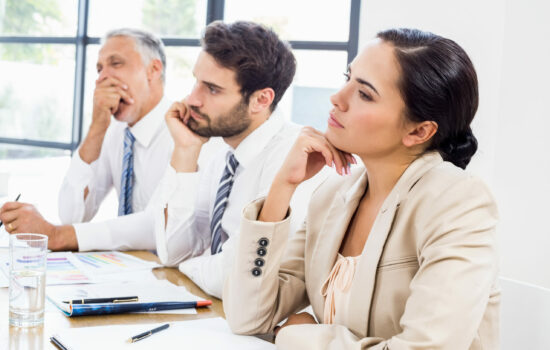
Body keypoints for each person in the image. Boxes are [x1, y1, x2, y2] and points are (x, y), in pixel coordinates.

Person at [224, 28, 499, 349]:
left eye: (365, 94)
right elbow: (248, 316)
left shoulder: (458, 202)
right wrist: (283, 186)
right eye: (347, 78)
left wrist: (295, 336)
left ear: (419, 130)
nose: (337, 98)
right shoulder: (333, 195)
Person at [153, 21, 324, 299]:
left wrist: (188, 266)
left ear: (261, 100)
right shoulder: (223, 151)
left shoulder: (296, 160)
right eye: (196, 81)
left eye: (212, 89)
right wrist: (185, 151)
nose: (192, 99)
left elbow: (234, 278)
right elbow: (173, 250)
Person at [0, 29, 212, 251]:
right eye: (99, 69)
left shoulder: (186, 133)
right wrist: (97, 127)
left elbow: (159, 226)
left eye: (116, 64)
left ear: (153, 69)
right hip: (128, 270)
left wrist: (59, 235)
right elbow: (72, 214)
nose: (102, 77)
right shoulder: (115, 131)